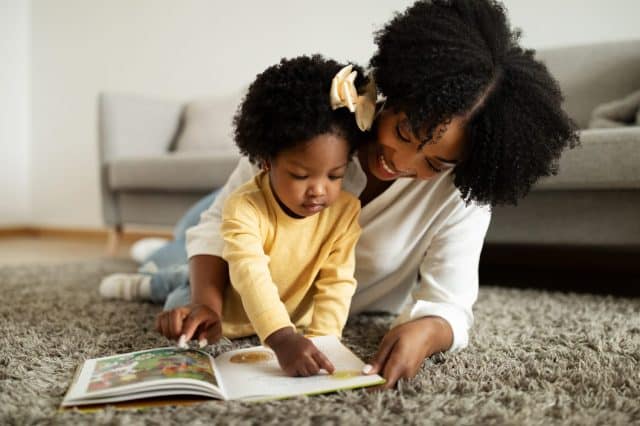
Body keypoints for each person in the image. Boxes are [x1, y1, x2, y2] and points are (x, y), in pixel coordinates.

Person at [127, 0, 579, 389]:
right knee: (186, 251)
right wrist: (206, 299)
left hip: (285, 274)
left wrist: (425, 332)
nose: (402, 161)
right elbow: (217, 230)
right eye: (403, 131)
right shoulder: (313, 122)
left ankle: (158, 253)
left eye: (434, 163)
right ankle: (158, 254)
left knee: (175, 255)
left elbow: (451, 305)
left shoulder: (460, 196)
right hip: (241, 220)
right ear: (394, 90)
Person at [101, 55, 373, 376]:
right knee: (181, 302)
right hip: (230, 300)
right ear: (266, 162)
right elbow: (248, 272)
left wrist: (325, 341)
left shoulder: (344, 211)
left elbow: (337, 282)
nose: (318, 190)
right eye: (301, 176)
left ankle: (164, 266)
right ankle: (147, 284)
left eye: (334, 175)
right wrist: (282, 338)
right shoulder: (244, 206)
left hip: (286, 306)